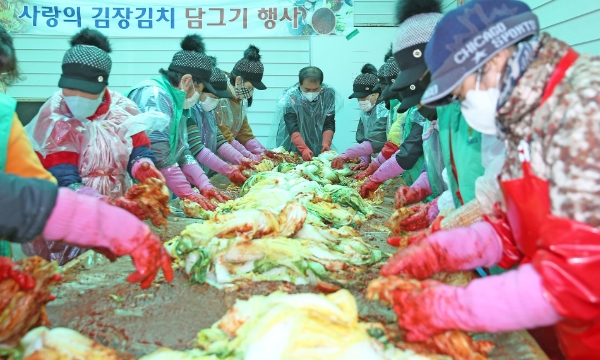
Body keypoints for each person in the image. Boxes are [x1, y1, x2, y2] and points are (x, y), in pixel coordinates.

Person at [381, 1, 600, 358]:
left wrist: (451, 307)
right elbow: (511, 226)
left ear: (493, 61)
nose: (464, 106)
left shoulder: (584, 107)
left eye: (463, 94)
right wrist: (442, 250)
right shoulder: (527, 114)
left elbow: (576, 279)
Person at [0, 26, 172, 289]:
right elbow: (61, 179)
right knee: (69, 283)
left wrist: (143, 166)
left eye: (87, 90)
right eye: (70, 89)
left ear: (104, 86)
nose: (77, 98)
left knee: (111, 283)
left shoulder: (123, 108)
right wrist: (103, 210)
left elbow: (138, 149)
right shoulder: (54, 115)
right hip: (63, 217)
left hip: (108, 206)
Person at [127, 34, 229, 211]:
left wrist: (205, 184)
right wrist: (187, 192)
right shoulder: (155, 96)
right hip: (138, 185)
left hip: (156, 185)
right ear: (187, 80)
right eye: (198, 88)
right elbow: (160, 153)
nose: (198, 95)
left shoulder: (177, 102)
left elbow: (182, 150)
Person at [185, 58, 249, 184]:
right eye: (213, 97)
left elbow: (218, 139)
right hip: (188, 175)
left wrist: (242, 159)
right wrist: (228, 170)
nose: (215, 102)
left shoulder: (208, 110)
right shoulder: (189, 110)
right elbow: (196, 147)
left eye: (218, 99)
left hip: (203, 174)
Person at [271, 66, 340, 160]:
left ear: (321, 84)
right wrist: (303, 148)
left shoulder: (328, 94)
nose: (311, 93)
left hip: (316, 138)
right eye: (307, 89)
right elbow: (291, 124)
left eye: (316, 89)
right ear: (299, 83)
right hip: (292, 139)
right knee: (292, 165)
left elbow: (329, 122)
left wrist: (326, 143)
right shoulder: (290, 96)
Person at [215, 45, 268, 161]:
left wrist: (260, 151)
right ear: (238, 80)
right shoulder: (220, 98)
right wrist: (247, 155)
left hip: (229, 155)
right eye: (251, 86)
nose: (252, 91)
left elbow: (244, 131)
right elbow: (224, 134)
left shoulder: (240, 99)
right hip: (214, 155)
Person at [331, 64, 389, 171]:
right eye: (358, 99)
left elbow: (375, 140)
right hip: (379, 163)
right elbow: (364, 138)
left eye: (363, 97)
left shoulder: (384, 110)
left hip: (391, 163)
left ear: (376, 94)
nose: (361, 102)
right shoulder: (366, 112)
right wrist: (364, 160)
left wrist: (346, 155)